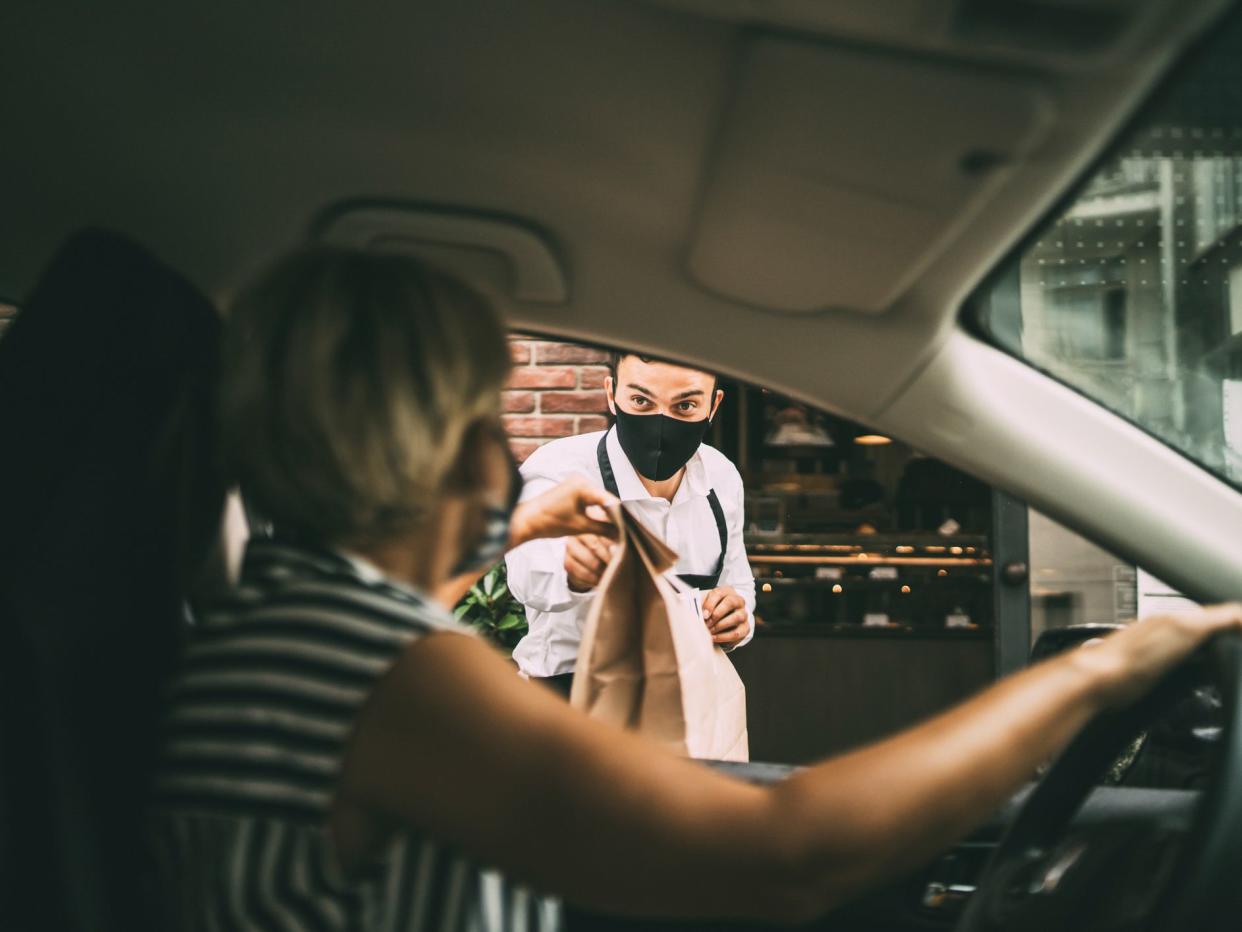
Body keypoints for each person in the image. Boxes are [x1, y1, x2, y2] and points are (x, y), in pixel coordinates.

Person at [149, 246, 1242, 931]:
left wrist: (503, 525)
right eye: (484, 412)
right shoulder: (376, 670)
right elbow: (790, 854)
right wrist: (1095, 674)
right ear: (451, 443)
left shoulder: (280, 627)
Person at [508, 352, 754, 694]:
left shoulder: (722, 475)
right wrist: (571, 570)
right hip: (571, 699)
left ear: (713, 406)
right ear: (611, 394)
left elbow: (737, 583)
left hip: (687, 700)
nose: (661, 423)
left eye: (685, 406)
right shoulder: (558, 468)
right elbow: (526, 574)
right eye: (641, 401)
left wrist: (738, 618)